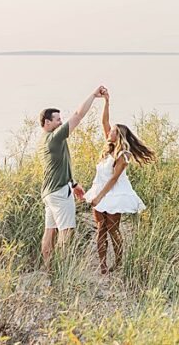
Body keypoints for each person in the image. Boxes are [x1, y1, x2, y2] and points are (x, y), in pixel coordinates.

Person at [85, 88, 156, 274]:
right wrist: (106, 101)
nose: (109, 132)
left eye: (113, 131)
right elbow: (104, 122)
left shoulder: (124, 155)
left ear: (119, 135)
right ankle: (102, 265)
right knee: (101, 228)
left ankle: (118, 261)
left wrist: (100, 197)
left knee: (113, 229)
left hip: (114, 194)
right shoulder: (108, 148)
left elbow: (114, 179)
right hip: (99, 190)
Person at [38, 85, 107, 267]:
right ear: (47, 122)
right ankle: (62, 269)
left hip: (49, 192)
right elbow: (78, 115)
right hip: (60, 193)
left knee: (50, 230)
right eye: (57, 120)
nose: (61, 123)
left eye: (61, 119)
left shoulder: (43, 140)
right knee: (66, 232)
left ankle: (48, 269)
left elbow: (58, 166)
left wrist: (74, 183)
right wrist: (93, 95)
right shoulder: (54, 138)